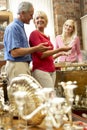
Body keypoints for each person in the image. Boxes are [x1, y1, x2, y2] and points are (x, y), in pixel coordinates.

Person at [3, 2, 50, 81]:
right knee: (20, 93)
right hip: (17, 66)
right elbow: (14, 52)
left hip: (21, 66)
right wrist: (36, 48)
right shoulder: (13, 27)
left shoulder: (19, 27)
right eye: (31, 15)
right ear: (22, 13)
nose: (32, 18)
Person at [29, 11, 71, 88]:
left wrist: (60, 54)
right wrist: (60, 49)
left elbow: (48, 58)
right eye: (37, 18)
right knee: (50, 96)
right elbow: (42, 55)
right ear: (34, 21)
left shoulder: (47, 36)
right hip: (41, 71)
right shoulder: (34, 34)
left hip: (52, 70)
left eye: (42, 18)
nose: (39, 20)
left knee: (49, 96)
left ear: (46, 21)